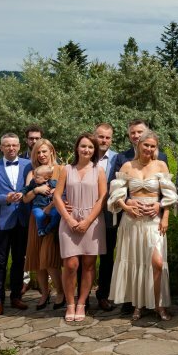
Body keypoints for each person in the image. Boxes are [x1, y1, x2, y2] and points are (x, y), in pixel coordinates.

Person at [108, 129, 177, 321]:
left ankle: (159, 305)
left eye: (152, 146)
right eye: (146, 145)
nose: (149, 149)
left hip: (154, 220)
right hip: (131, 221)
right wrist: (126, 205)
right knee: (136, 262)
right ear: (138, 145)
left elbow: (170, 195)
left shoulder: (160, 165)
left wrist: (163, 214)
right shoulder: (128, 166)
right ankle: (137, 306)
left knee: (156, 262)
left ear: (156, 148)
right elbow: (115, 194)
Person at [56, 133, 107, 322]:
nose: (86, 150)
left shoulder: (99, 170)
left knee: (88, 264)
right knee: (71, 264)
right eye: (83, 146)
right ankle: (70, 302)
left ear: (94, 150)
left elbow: (103, 198)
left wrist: (87, 221)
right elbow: (57, 196)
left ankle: (82, 303)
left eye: (90, 147)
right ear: (77, 148)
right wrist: (69, 219)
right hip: (69, 220)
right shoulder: (66, 169)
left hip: (92, 222)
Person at [0, 134, 31, 316]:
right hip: (1, 221)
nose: (11, 148)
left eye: (14, 145)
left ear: (19, 146)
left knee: (19, 260)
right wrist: (6, 198)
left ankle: (16, 296)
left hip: (22, 219)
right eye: (7, 145)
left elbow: (32, 186)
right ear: (1, 147)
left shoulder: (28, 165)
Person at [21, 139, 62, 309]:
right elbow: (25, 199)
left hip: (53, 217)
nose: (42, 155)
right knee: (38, 260)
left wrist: (51, 205)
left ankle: (61, 292)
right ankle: (45, 293)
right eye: (38, 152)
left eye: (44, 151)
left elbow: (64, 194)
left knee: (50, 259)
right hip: (36, 219)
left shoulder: (61, 170)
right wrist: (36, 190)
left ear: (52, 151)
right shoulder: (33, 173)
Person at [94, 122, 119, 311]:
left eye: (107, 137)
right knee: (85, 256)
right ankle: (82, 297)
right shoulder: (84, 155)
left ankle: (103, 294)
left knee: (107, 256)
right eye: (101, 136)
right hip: (85, 212)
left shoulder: (118, 159)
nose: (104, 140)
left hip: (109, 214)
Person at [24, 165, 60, 236]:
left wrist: (55, 189)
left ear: (46, 178)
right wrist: (36, 190)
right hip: (38, 206)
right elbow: (26, 193)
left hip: (50, 206)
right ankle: (40, 229)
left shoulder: (54, 182)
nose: (34, 178)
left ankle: (49, 228)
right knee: (40, 216)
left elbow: (63, 188)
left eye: (37, 177)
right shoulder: (33, 182)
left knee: (57, 214)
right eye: (34, 176)